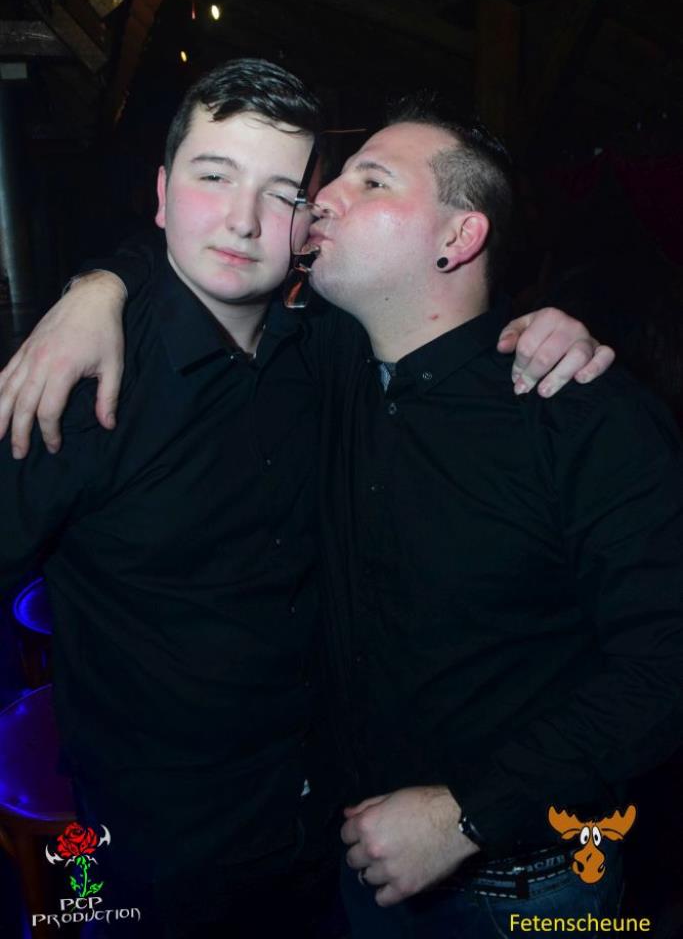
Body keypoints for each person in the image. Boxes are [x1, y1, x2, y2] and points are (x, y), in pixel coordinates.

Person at [0, 61, 613, 938]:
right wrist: (96, 286)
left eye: (283, 193)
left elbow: (440, 325)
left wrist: (547, 326)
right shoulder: (80, 387)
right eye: (214, 177)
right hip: (159, 864)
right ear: (162, 196)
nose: (243, 220)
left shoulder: (330, 354)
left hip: (330, 848)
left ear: (307, 223)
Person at [303, 99, 683, 937]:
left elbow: (664, 664)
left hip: (528, 891)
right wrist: (94, 294)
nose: (324, 194)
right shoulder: (328, 374)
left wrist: (466, 814)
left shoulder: (578, 414)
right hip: (359, 868)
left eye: (371, 180)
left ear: (458, 237)